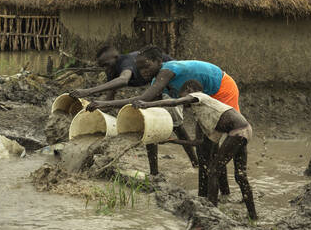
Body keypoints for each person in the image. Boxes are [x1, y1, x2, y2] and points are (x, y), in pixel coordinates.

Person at [86, 46, 240, 195]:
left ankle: (214, 195)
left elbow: (143, 98)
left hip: (221, 89)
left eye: (146, 66)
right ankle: (214, 194)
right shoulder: (156, 80)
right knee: (206, 149)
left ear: (158, 61)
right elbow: (149, 109)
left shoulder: (167, 71)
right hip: (203, 96)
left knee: (209, 148)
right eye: (139, 68)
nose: (143, 72)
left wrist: (104, 103)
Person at [132, 79, 257, 220]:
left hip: (237, 132)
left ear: (190, 90)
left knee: (214, 171)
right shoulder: (208, 116)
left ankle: (213, 212)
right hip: (244, 130)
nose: (182, 100)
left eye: (183, 95)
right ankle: (253, 215)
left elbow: (174, 102)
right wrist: (172, 141)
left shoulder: (200, 97)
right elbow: (200, 142)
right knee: (240, 176)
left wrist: (147, 104)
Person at [70, 45, 198, 171]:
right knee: (149, 124)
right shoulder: (112, 71)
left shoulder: (125, 62)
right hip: (155, 83)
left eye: (107, 64)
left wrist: (88, 91)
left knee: (176, 124)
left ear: (115, 58)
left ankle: (195, 162)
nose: (106, 69)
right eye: (102, 66)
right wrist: (91, 115)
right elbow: (109, 100)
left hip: (171, 82)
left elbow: (124, 80)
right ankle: (154, 172)